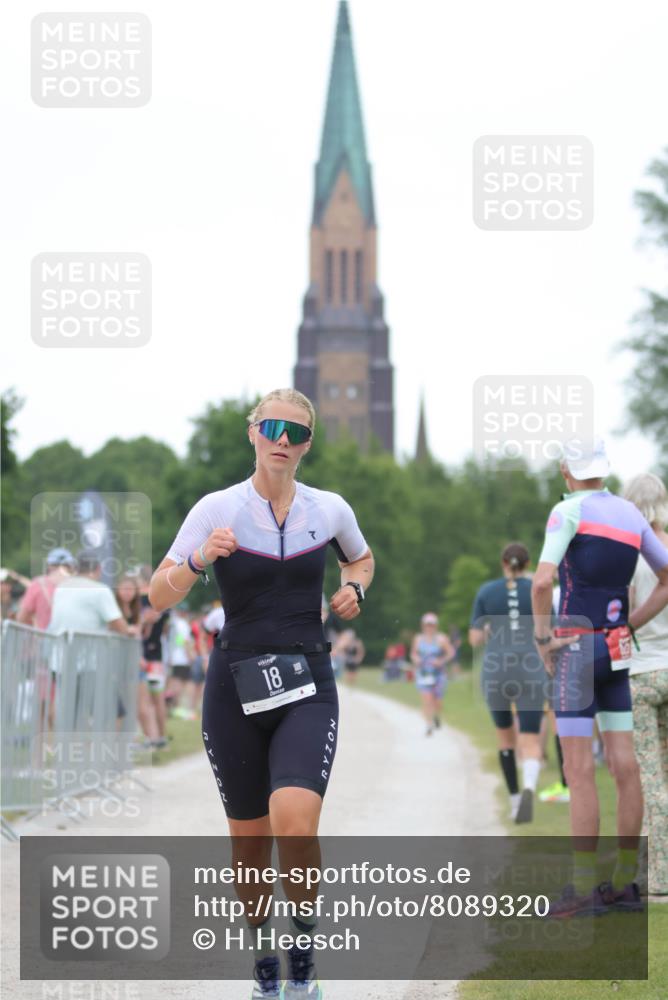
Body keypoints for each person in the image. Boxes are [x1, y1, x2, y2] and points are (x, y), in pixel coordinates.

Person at [149, 388, 374, 999]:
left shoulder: (327, 509)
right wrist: (197, 559)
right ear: (253, 432)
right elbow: (156, 595)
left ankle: (302, 960)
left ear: (307, 444)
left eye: (296, 433)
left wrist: (357, 588)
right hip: (234, 687)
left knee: (295, 825)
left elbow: (361, 559)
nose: (283, 440)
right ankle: (265, 967)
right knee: (249, 847)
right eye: (273, 427)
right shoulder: (217, 508)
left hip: (308, 682)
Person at [531, 440, 668, 916]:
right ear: (604, 471)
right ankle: (625, 883)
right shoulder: (631, 515)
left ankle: (585, 890)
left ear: (568, 471)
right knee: (625, 767)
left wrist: (543, 637)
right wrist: (631, 624)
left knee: (579, 769)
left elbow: (543, 581)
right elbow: (667, 576)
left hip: (575, 650)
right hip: (618, 650)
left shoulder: (567, 510)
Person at [470, 543, 546, 823]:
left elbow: (475, 639)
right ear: (527, 564)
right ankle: (529, 786)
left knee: (505, 738)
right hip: (530, 668)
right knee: (530, 738)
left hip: (496, 670)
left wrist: (490, 631)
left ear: (503, 562)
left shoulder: (487, 591)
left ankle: (515, 801)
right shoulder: (537, 589)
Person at [623, 472, 668, 896]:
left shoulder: (629, 555)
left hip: (641, 671)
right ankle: (649, 866)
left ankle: (657, 878)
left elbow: (626, 609)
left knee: (650, 780)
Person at [138, 565, 170, 750]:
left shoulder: (140, 600)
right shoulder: (162, 599)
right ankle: (162, 737)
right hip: (157, 654)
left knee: (146, 700)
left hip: (142, 654)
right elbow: (165, 629)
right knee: (157, 699)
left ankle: (152, 737)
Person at [410, 613, 454, 735]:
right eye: (427, 625)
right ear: (423, 626)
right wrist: (416, 659)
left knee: (437, 701)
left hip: (438, 674)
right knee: (427, 699)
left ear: (436, 626)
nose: (429, 627)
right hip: (423, 673)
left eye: (432, 625)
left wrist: (441, 661)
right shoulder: (418, 639)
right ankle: (429, 725)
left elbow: (451, 652)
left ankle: (436, 716)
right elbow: (413, 653)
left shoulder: (441, 639)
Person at [17, 547, 76, 629]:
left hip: (44, 638)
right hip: (73, 640)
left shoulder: (38, 584)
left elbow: (21, 618)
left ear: (49, 566)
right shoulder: (78, 585)